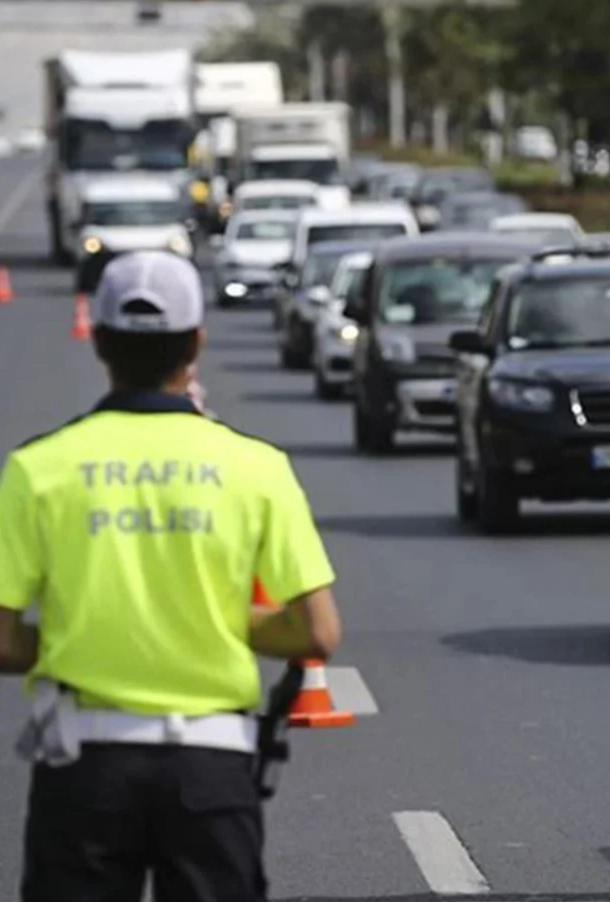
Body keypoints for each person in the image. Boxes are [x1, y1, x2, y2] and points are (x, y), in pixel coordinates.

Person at [0, 250, 343, 903]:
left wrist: (96, 630)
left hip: (84, 765)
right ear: (197, 343)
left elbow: (3, 639)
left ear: (98, 340)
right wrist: (207, 621)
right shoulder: (256, 466)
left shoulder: (38, 468)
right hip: (211, 769)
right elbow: (317, 630)